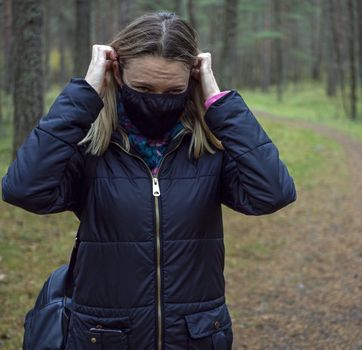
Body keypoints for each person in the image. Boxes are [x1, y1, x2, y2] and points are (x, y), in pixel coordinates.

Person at [1, 11, 296, 350]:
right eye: (142, 88)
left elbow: (273, 193)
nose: (158, 100)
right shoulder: (91, 148)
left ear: (192, 84)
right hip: (106, 337)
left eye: (174, 90)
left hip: (195, 337)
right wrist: (85, 94)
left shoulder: (208, 147)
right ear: (117, 73)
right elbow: (23, 189)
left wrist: (219, 102)